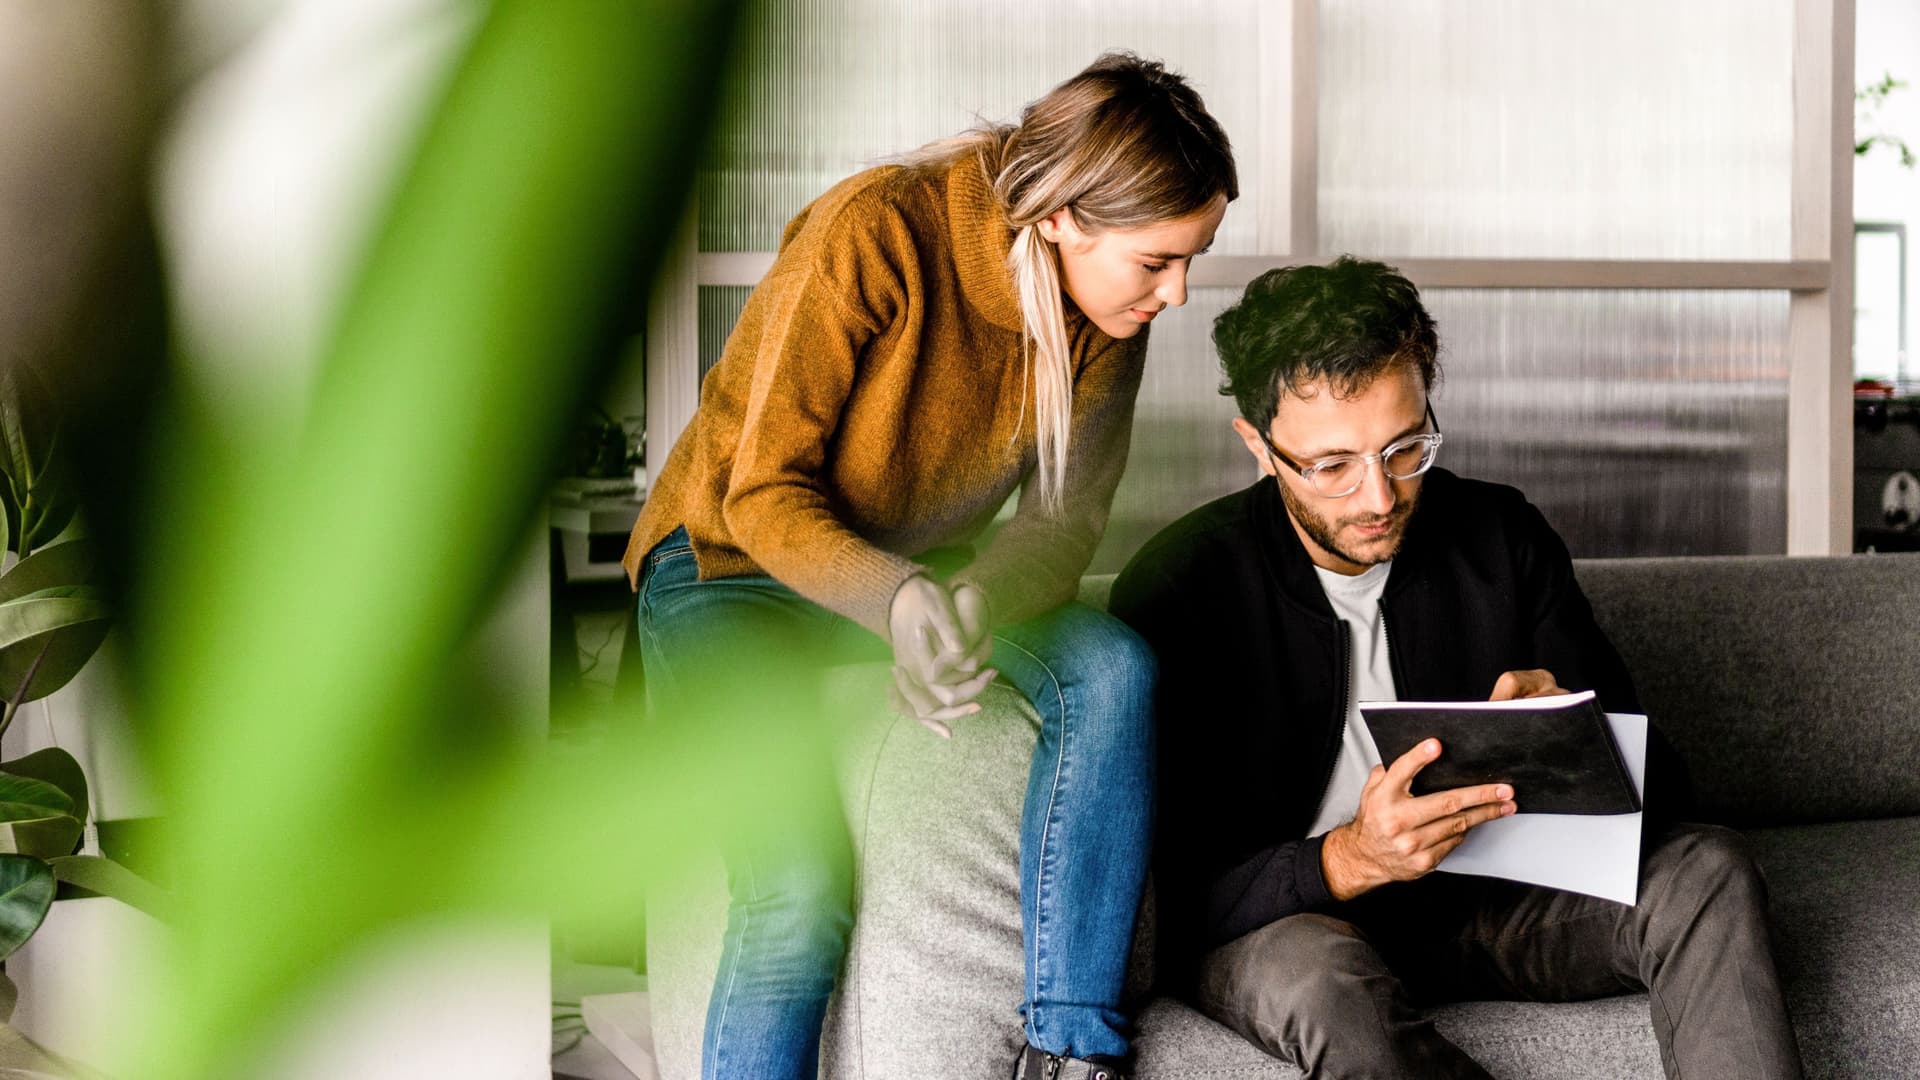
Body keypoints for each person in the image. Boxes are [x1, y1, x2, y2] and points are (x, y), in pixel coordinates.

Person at [624, 52, 1236, 1080]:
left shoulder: (1104, 313)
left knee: (1114, 666)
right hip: (726, 565)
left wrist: (966, 603)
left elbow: (1059, 528)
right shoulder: (874, 234)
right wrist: (898, 600)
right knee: (796, 891)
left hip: (910, 569)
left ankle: (1069, 1051)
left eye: (1193, 259)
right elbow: (761, 494)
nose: (1176, 294)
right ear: (1061, 220)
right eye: (1158, 261)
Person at [1108, 257, 1805, 1079]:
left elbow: (1666, 798)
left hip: (1486, 902)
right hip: (1298, 925)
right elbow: (1162, 897)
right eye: (1332, 466)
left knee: (1708, 871)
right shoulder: (1181, 587)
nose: (1378, 496)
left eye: (1405, 448)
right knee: (1326, 984)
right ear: (1259, 447)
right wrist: (1348, 859)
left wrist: (1576, 735)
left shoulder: (1500, 537)